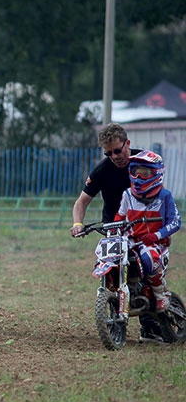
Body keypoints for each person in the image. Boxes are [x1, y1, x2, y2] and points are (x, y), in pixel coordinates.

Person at [69, 123, 165, 342]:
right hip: (114, 229)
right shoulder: (102, 170)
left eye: (117, 151)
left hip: (143, 227)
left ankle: (150, 326)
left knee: (145, 267)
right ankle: (115, 317)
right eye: (108, 153)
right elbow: (81, 202)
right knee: (111, 270)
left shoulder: (144, 162)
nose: (114, 156)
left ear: (127, 144)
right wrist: (77, 223)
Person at [111, 150, 180, 314]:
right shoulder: (127, 194)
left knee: (148, 256)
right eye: (136, 172)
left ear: (157, 173)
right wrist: (114, 229)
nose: (139, 177)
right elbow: (119, 217)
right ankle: (117, 289)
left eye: (144, 173)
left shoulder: (164, 196)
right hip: (131, 240)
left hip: (154, 243)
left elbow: (176, 221)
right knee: (113, 255)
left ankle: (160, 292)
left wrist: (157, 235)